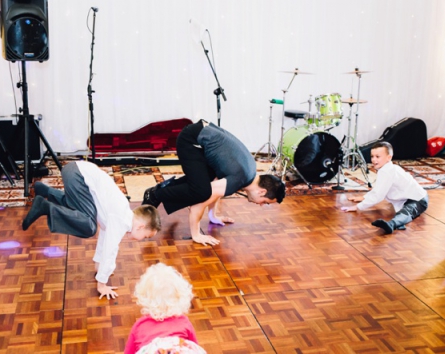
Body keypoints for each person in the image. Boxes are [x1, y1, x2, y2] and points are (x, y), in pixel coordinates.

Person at [22, 160, 161, 299]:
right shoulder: (121, 220)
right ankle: (45, 207)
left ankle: (46, 191)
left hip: (75, 171)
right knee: (89, 227)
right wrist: (102, 283)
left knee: (80, 211)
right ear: (141, 226)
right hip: (78, 176)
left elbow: (105, 238)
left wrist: (99, 265)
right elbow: (110, 249)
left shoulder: (122, 214)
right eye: (146, 236)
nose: (144, 240)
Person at [142, 120, 285, 246]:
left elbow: (217, 187)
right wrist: (196, 234)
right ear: (262, 191)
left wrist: (213, 216)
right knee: (201, 192)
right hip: (191, 140)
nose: (261, 205)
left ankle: (160, 190)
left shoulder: (250, 173)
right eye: (265, 202)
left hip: (200, 136)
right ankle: (156, 193)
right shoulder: (240, 178)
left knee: (205, 185)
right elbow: (200, 202)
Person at [341, 141, 428, 234]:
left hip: (418, 199)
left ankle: (391, 224)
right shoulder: (388, 168)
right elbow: (379, 188)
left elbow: (378, 196)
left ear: (389, 157)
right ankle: (394, 223)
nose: (374, 160)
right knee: (403, 210)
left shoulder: (386, 172)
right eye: (372, 156)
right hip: (406, 198)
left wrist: (358, 207)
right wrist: (364, 197)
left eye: (378, 157)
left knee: (406, 212)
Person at [124, 263, 199, 354]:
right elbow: (195, 348)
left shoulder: (139, 325)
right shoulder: (184, 322)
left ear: (144, 297)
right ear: (181, 297)